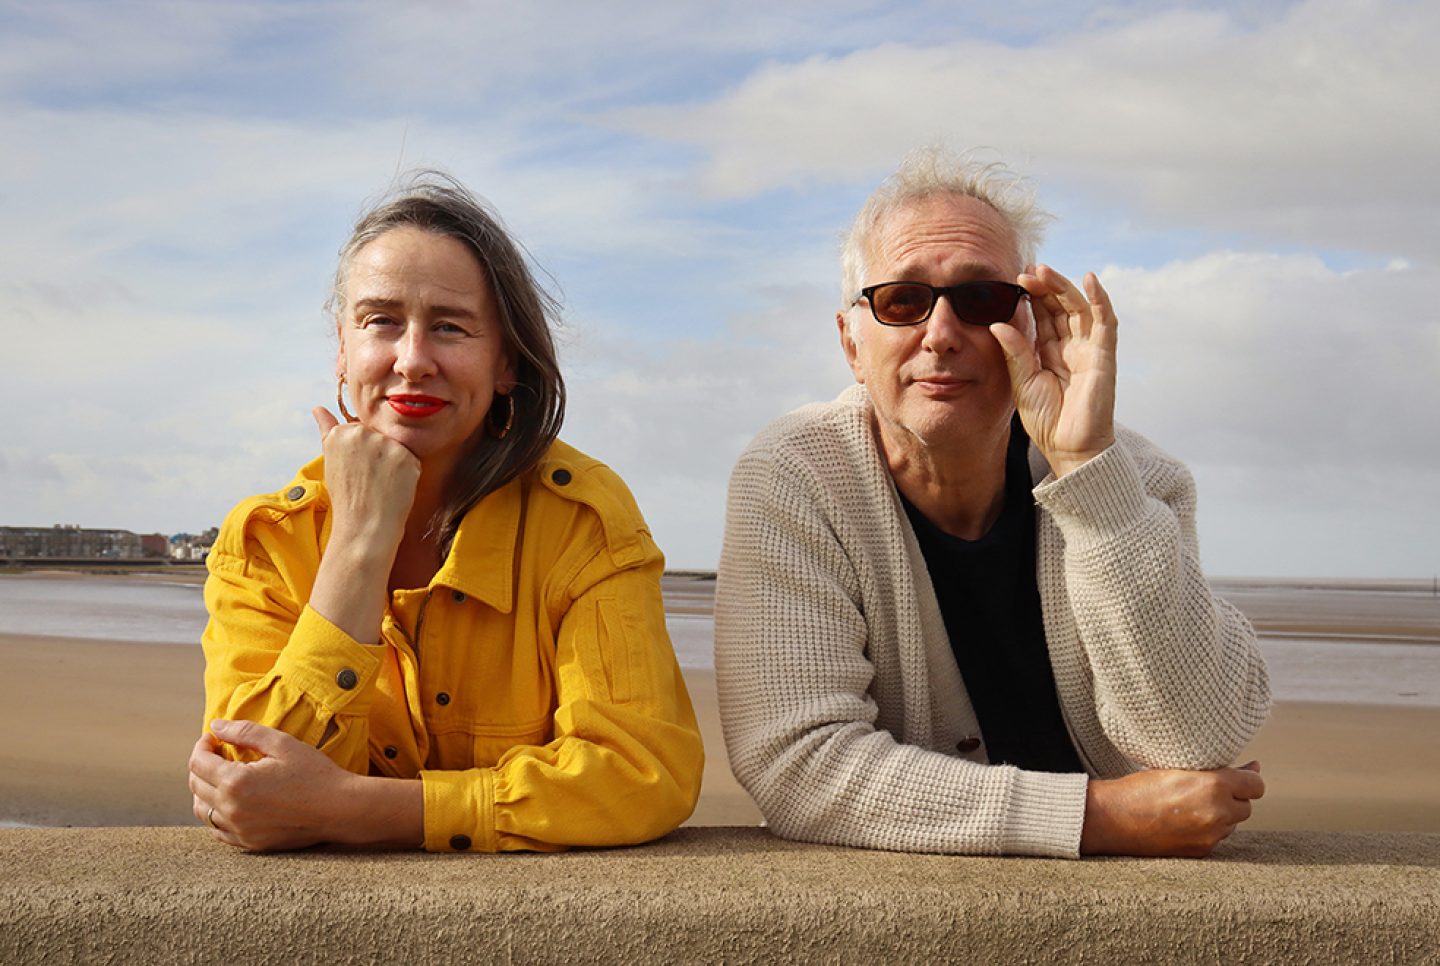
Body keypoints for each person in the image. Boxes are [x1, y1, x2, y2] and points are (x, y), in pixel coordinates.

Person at [714, 148, 1271, 859]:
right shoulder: (796, 475)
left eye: (980, 300)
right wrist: (1098, 816)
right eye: (902, 300)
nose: (942, 334)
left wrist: (1089, 471)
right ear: (852, 343)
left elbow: (1196, 736)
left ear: (1034, 326)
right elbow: (800, 766)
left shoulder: (1135, 479)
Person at [189, 173, 703, 853]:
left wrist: (360, 810)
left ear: (506, 362)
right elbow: (246, 787)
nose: (412, 361)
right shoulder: (266, 542)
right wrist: (358, 545)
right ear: (342, 349)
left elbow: (640, 774)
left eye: (450, 327)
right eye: (381, 322)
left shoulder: (582, 520)